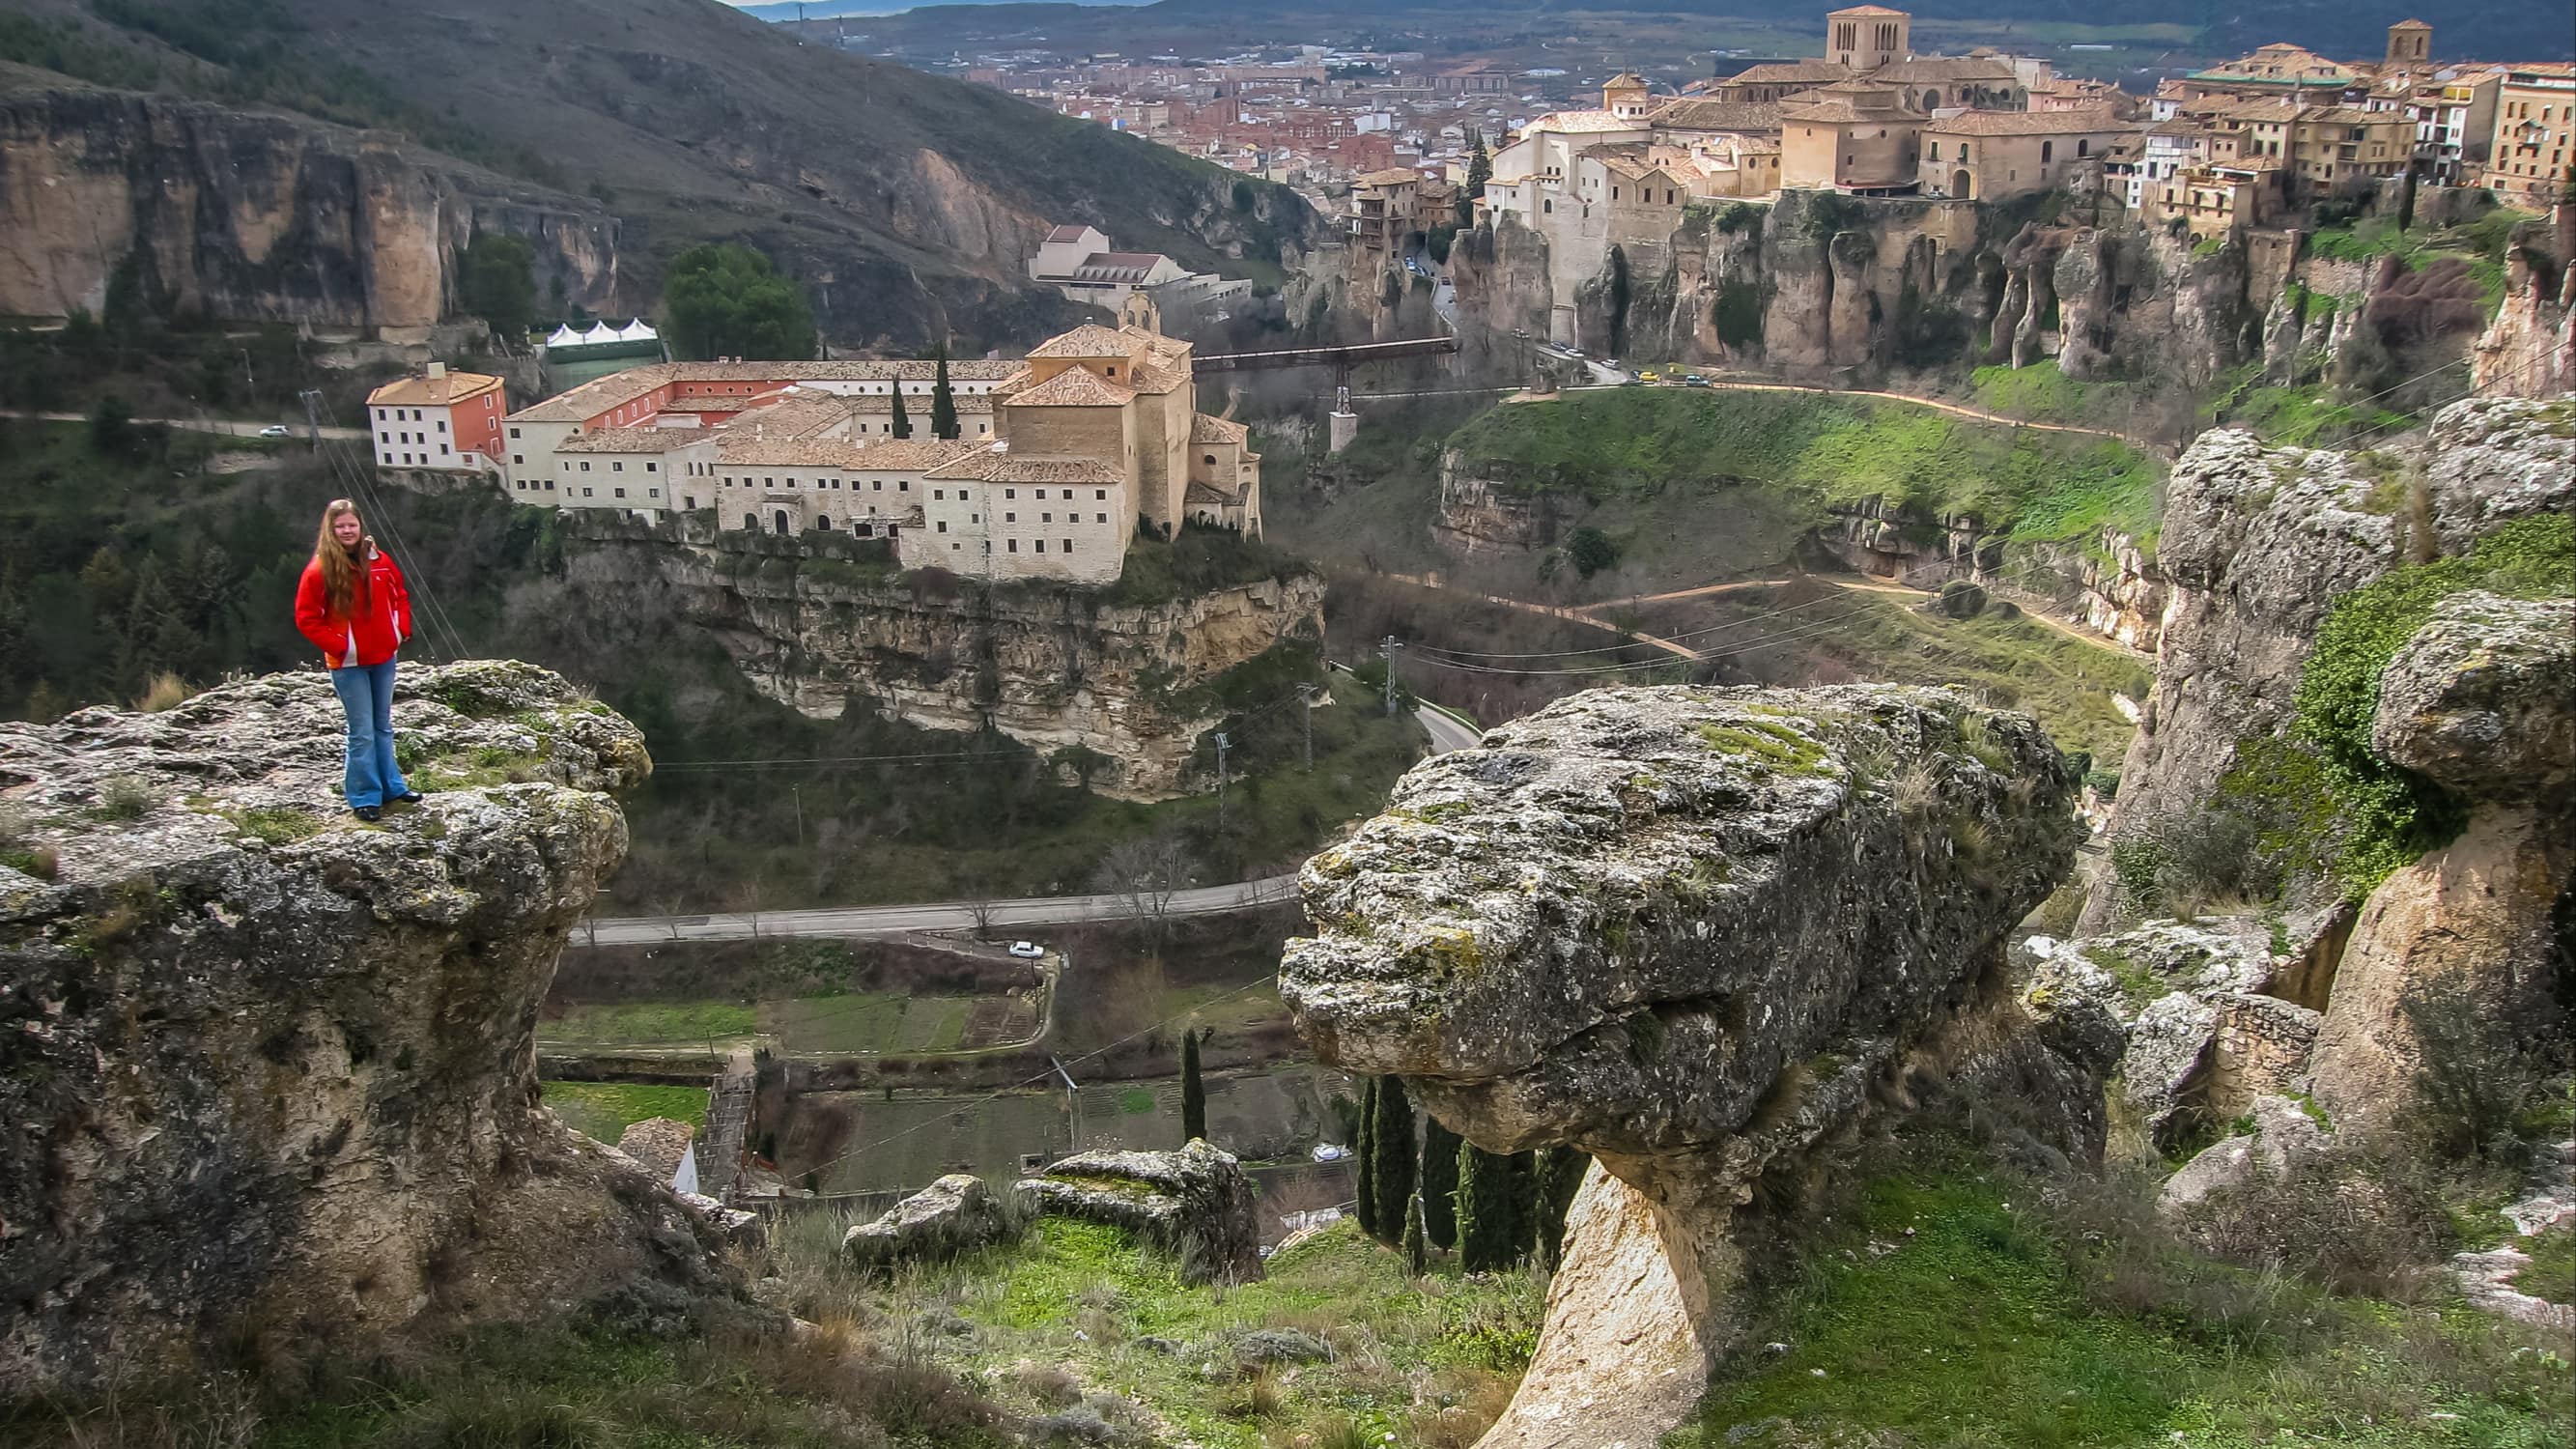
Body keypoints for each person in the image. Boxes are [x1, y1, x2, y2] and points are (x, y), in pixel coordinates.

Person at [293, 498, 420, 820]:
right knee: (361, 731)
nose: (347, 531)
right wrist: (340, 646)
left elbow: (400, 595)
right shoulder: (320, 569)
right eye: (340, 526)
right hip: (349, 664)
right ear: (330, 529)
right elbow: (307, 617)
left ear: (361, 526)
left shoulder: (380, 561)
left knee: (382, 726)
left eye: (351, 525)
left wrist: (400, 630)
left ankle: (392, 787)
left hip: (384, 656)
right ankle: (364, 796)